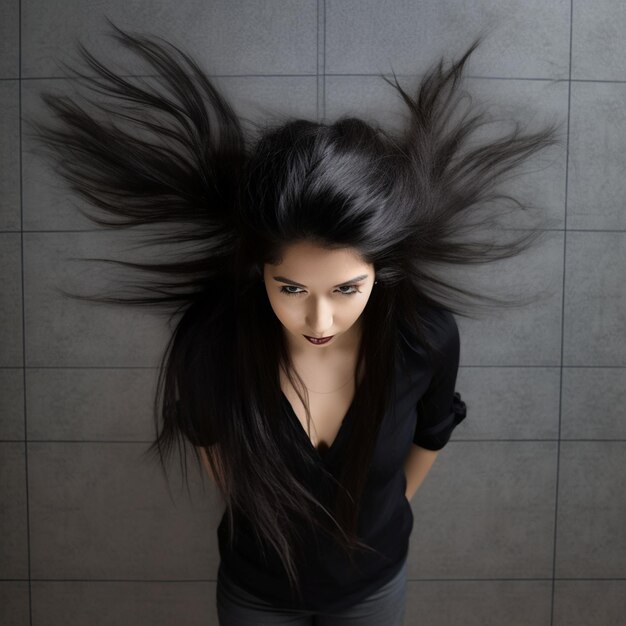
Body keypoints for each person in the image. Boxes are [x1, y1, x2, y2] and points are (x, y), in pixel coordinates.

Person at [27, 19, 561, 625]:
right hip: (256, 590)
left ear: (379, 274)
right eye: (291, 288)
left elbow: (433, 431)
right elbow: (209, 442)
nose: (318, 317)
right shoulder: (212, 339)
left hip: (374, 586)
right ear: (259, 272)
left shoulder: (425, 338)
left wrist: (378, 519)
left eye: (346, 289)